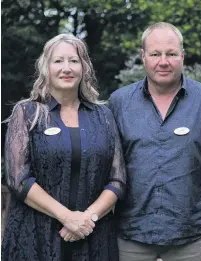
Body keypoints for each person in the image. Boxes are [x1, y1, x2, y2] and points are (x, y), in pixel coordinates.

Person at [108, 22, 201, 261]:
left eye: (171, 54)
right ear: (143, 57)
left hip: (189, 234)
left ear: (182, 56)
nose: (163, 61)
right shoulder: (119, 102)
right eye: (155, 54)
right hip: (131, 234)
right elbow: (108, 165)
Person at [2, 34, 126, 261]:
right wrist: (67, 217)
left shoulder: (104, 116)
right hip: (36, 236)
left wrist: (87, 219)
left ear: (84, 68)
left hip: (93, 235)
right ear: (45, 68)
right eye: (58, 61)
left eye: (74, 61)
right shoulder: (27, 113)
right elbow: (18, 178)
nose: (66, 68)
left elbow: (117, 179)